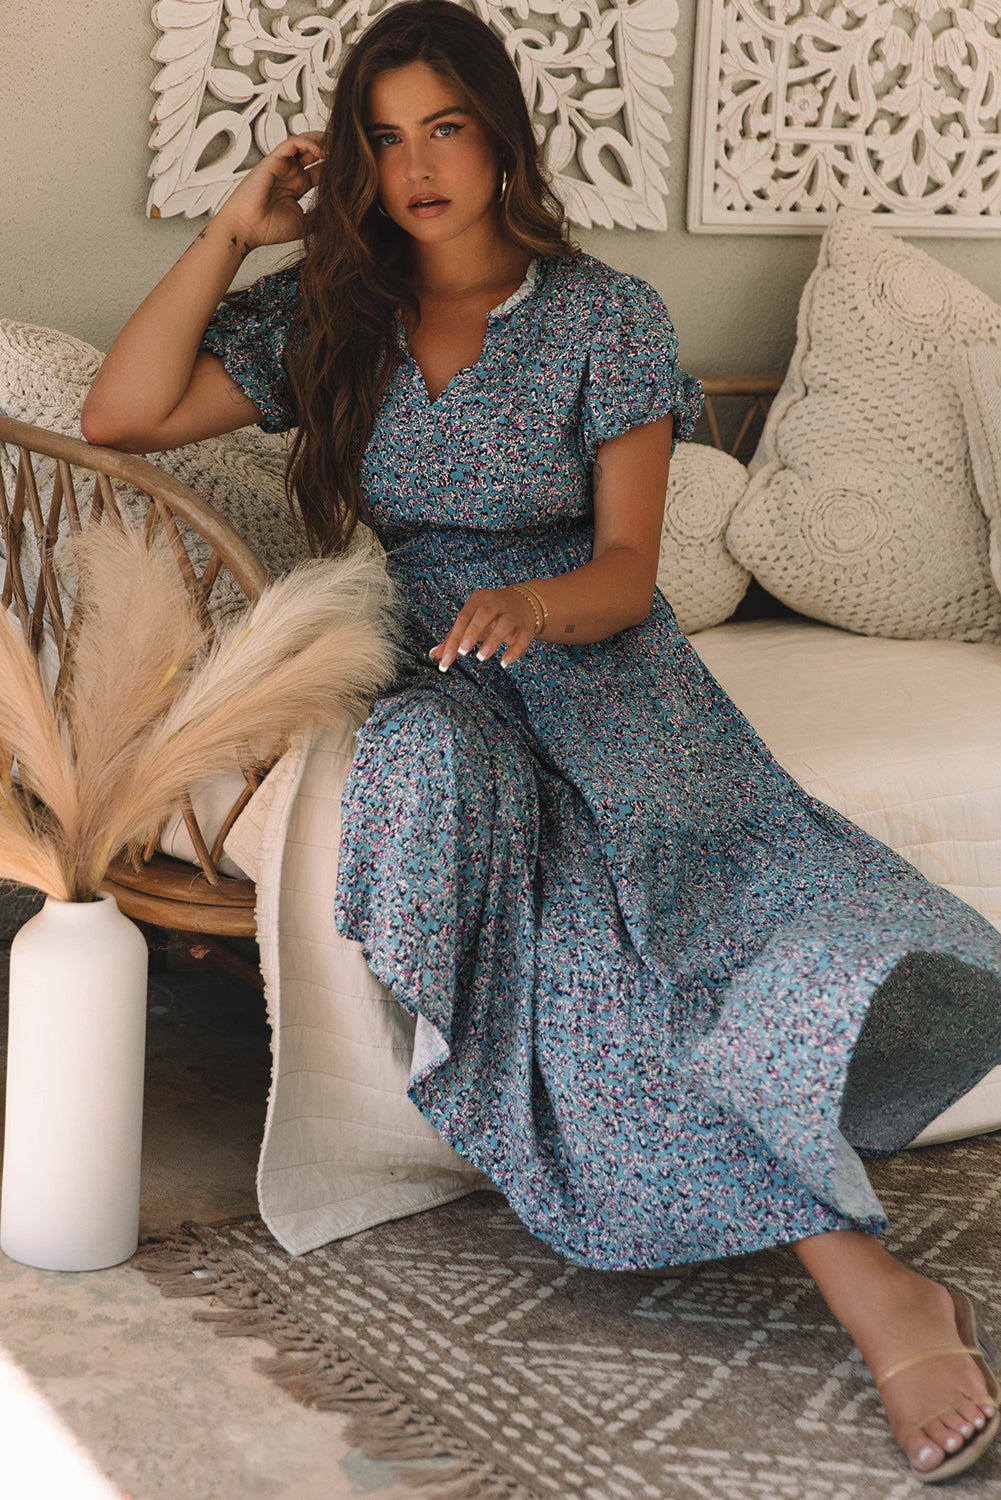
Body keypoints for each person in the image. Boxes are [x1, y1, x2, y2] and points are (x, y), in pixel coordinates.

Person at [82, 0, 1001, 1481]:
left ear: (500, 134)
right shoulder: (335, 312)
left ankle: (872, 1284)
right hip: (428, 664)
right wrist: (233, 231)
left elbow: (629, 569)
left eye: (444, 128)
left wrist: (533, 604)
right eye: (385, 139)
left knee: (650, 913)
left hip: (596, 661)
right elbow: (121, 416)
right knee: (438, 782)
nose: (416, 167)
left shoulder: (605, 317)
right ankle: (850, 1268)